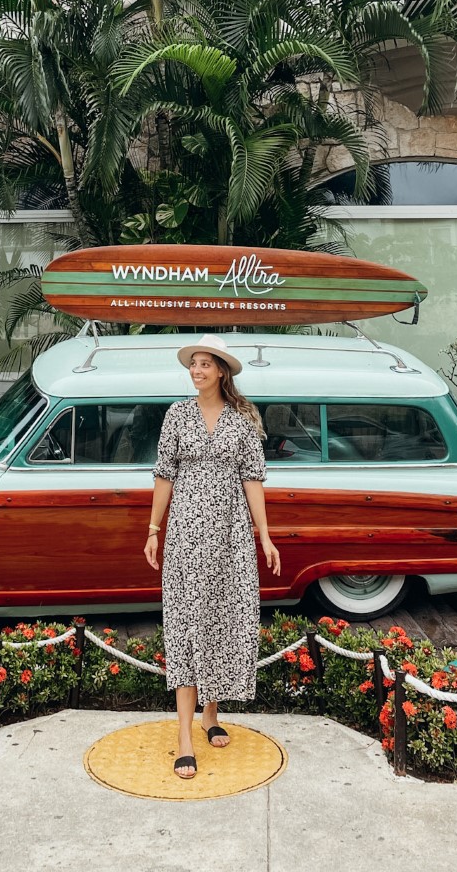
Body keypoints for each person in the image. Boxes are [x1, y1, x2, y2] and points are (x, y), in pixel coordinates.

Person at [145, 334, 282, 780]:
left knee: (222, 619)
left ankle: (211, 713)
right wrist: (153, 529)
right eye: (194, 364)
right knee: (186, 624)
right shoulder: (177, 415)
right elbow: (164, 474)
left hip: (230, 538)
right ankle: (186, 735)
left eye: (206, 364)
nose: (197, 370)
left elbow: (253, 480)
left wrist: (265, 536)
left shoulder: (243, 419)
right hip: (185, 536)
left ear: (221, 371)